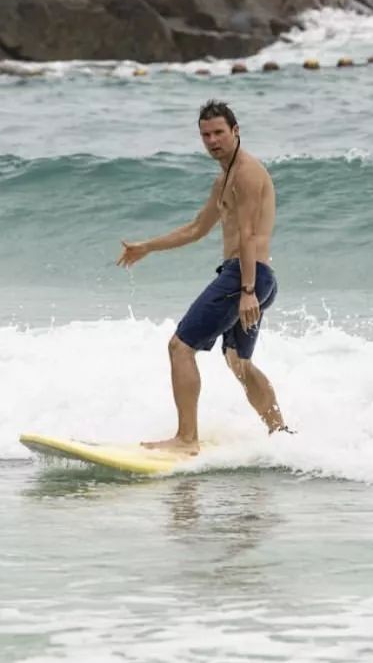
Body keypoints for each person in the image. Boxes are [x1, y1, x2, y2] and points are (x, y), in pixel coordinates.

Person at [117, 100, 288, 453]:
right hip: (255, 277)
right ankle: (280, 434)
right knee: (239, 362)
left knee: (180, 347)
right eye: (205, 135)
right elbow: (197, 228)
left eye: (219, 133)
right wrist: (148, 246)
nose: (212, 141)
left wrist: (246, 289)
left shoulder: (247, 172)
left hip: (247, 274)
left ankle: (186, 440)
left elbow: (250, 235)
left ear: (236, 131)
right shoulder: (223, 179)